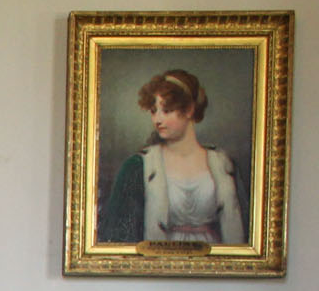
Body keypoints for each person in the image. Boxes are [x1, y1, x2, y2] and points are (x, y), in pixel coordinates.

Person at [97, 69, 247, 246]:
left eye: (167, 110)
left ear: (189, 109)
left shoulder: (224, 165)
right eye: (154, 111)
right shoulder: (138, 167)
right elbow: (119, 237)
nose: (157, 120)